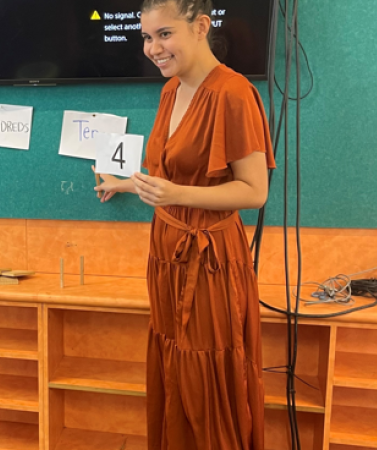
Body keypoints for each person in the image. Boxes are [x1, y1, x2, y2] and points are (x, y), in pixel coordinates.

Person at [93, 1, 275, 449]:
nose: (153, 48)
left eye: (164, 34)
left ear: (201, 26)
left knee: (206, 374)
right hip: (167, 252)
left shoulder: (234, 94)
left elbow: (254, 192)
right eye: (146, 37)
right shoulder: (171, 90)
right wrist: (127, 184)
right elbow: (172, 178)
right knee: (175, 369)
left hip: (210, 262)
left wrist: (177, 195)